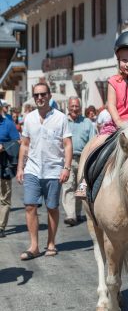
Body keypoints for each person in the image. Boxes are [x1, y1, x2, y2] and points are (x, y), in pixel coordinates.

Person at [75, 30, 128, 198]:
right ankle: (85, 181)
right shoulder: (113, 81)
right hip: (117, 124)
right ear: (118, 60)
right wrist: (118, 121)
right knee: (94, 146)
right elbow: (111, 105)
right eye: (124, 60)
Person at [16, 83, 72, 260]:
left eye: (42, 94)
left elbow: (67, 144)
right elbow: (24, 144)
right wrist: (20, 167)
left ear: (49, 95)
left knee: (52, 207)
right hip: (32, 169)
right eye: (36, 95)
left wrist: (66, 167)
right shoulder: (29, 118)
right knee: (30, 206)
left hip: (54, 170)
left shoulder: (61, 118)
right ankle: (34, 246)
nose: (39, 98)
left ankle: (51, 243)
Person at [62, 97, 95, 226]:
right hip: (67, 159)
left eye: (77, 106)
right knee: (68, 186)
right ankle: (71, 215)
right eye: (72, 106)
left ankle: (77, 213)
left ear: (81, 108)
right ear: (68, 108)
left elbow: (93, 142)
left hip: (83, 159)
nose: (74, 109)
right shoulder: (63, 121)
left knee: (81, 188)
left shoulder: (87, 123)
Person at [0, 101, 20, 237]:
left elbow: (17, 142)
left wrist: (3, 146)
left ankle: (1, 227)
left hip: (4, 166)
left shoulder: (8, 124)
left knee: (4, 198)